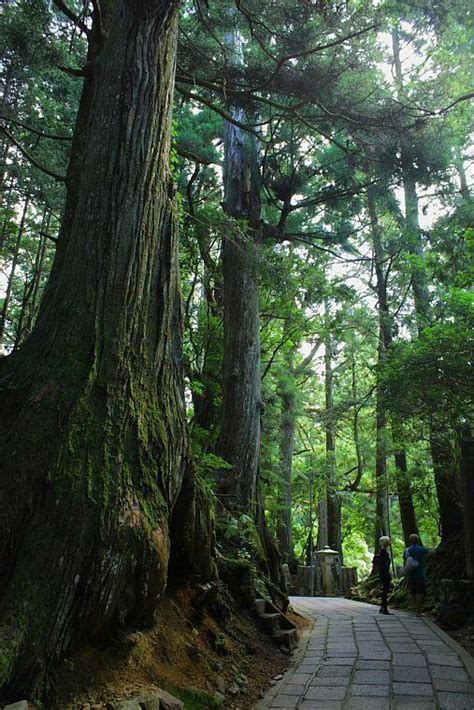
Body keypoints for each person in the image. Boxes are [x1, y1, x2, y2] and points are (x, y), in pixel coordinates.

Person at [404, 533, 430, 616]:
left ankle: (415, 609)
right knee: (420, 592)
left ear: (410, 541)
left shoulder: (407, 550)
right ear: (418, 540)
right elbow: (431, 553)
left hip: (411, 574)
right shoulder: (421, 549)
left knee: (413, 592)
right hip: (420, 573)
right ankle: (418, 611)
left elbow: (405, 560)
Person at [378, 536, 392, 615]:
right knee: (385, 591)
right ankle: (384, 609)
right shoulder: (383, 552)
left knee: (385, 590)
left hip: (383, 573)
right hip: (384, 573)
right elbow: (384, 564)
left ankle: (382, 607)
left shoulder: (382, 551)